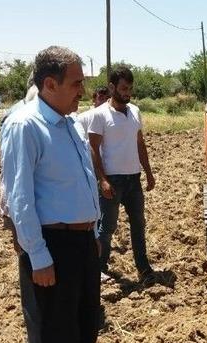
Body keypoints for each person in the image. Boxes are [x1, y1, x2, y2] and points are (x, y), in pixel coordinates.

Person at [0, 45, 103, 343]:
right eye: (76, 83)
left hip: (80, 242)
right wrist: (38, 256)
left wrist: (93, 233)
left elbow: (84, 182)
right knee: (59, 330)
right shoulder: (26, 126)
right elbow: (20, 197)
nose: (82, 90)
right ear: (49, 83)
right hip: (52, 245)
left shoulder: (70, 124)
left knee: (84, 322)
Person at [82, 66, 156, 283]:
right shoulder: (99, 115)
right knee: (108, 227)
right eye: (124, 88)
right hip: (112, 181)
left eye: (130, 88)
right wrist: (102, 179)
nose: (127, 92)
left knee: (138, 224)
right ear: (113, 87)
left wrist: (148, 173)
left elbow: (140, 144)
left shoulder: (135, 111)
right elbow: (93, 148)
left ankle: (143, 267)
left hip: (133, 178)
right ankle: (100, 268)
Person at [0, 74, 42, 343]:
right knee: (34, 280)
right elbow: (17, 186)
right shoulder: (22, 120)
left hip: (27, 210)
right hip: (27, 212)